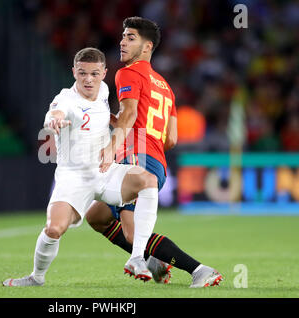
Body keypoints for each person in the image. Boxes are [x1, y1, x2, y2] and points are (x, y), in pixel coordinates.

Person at [3, 47, 162, 287]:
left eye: (95, 74)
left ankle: (137, 257)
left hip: (105, 171)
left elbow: (104, 114)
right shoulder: (66, 98)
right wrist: (54, 120)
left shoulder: (104, 90)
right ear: (73, 72)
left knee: (147, 180)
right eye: (82, 73)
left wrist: (115, 124)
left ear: (104, 73)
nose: (88, 79)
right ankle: (36, 277)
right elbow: (53, 113)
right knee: (54, 229)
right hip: (73, 178)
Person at [85, 17, 223, 288]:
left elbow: (130, 113)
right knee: (97, 216)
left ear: (147, 47)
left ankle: (199, 270)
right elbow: (171, 138)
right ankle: (156, 262)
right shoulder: (165, 87)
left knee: (131, 231)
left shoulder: (128, 72)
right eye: (123, 36)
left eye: (131, 38)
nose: (123, 42)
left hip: (135, 158)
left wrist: (112, 148)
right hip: (155, 161)